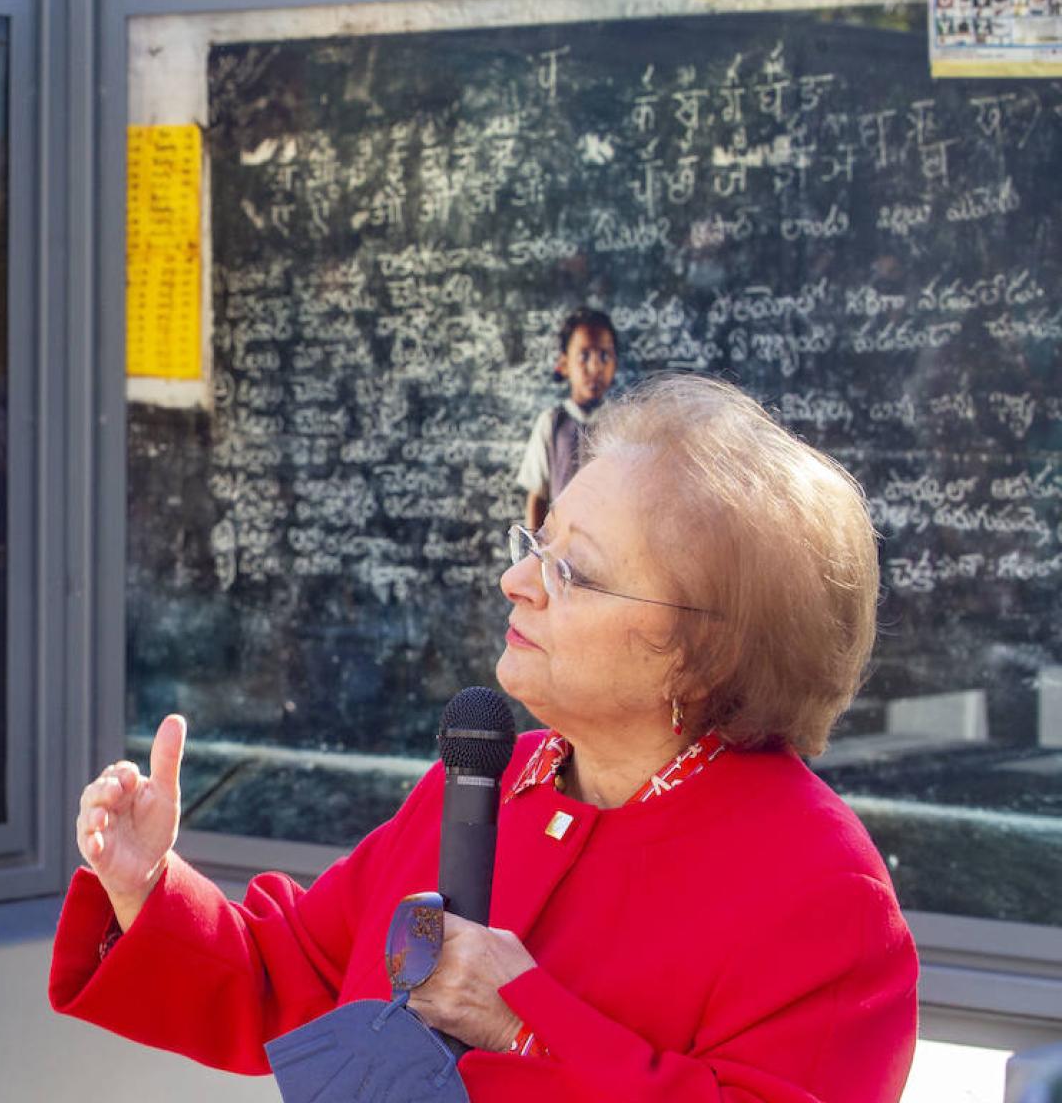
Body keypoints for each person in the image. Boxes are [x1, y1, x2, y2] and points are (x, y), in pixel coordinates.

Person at [50, 373, 918, 1101]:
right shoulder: (492, 782)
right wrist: (144, 888)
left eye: (570, 572)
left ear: (703, 653)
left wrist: (520, 1018)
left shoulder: (821, 894)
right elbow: (297, 976)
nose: (515, 582)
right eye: (533, 545)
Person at [517, 305, 618, 531]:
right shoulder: (551, 423)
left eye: (605, 356)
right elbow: (538, 497)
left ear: (615, 363)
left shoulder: (623, 423)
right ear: (564, 364)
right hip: (561, 549)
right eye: (584, 356)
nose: (595, 367)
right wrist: (537, 555)